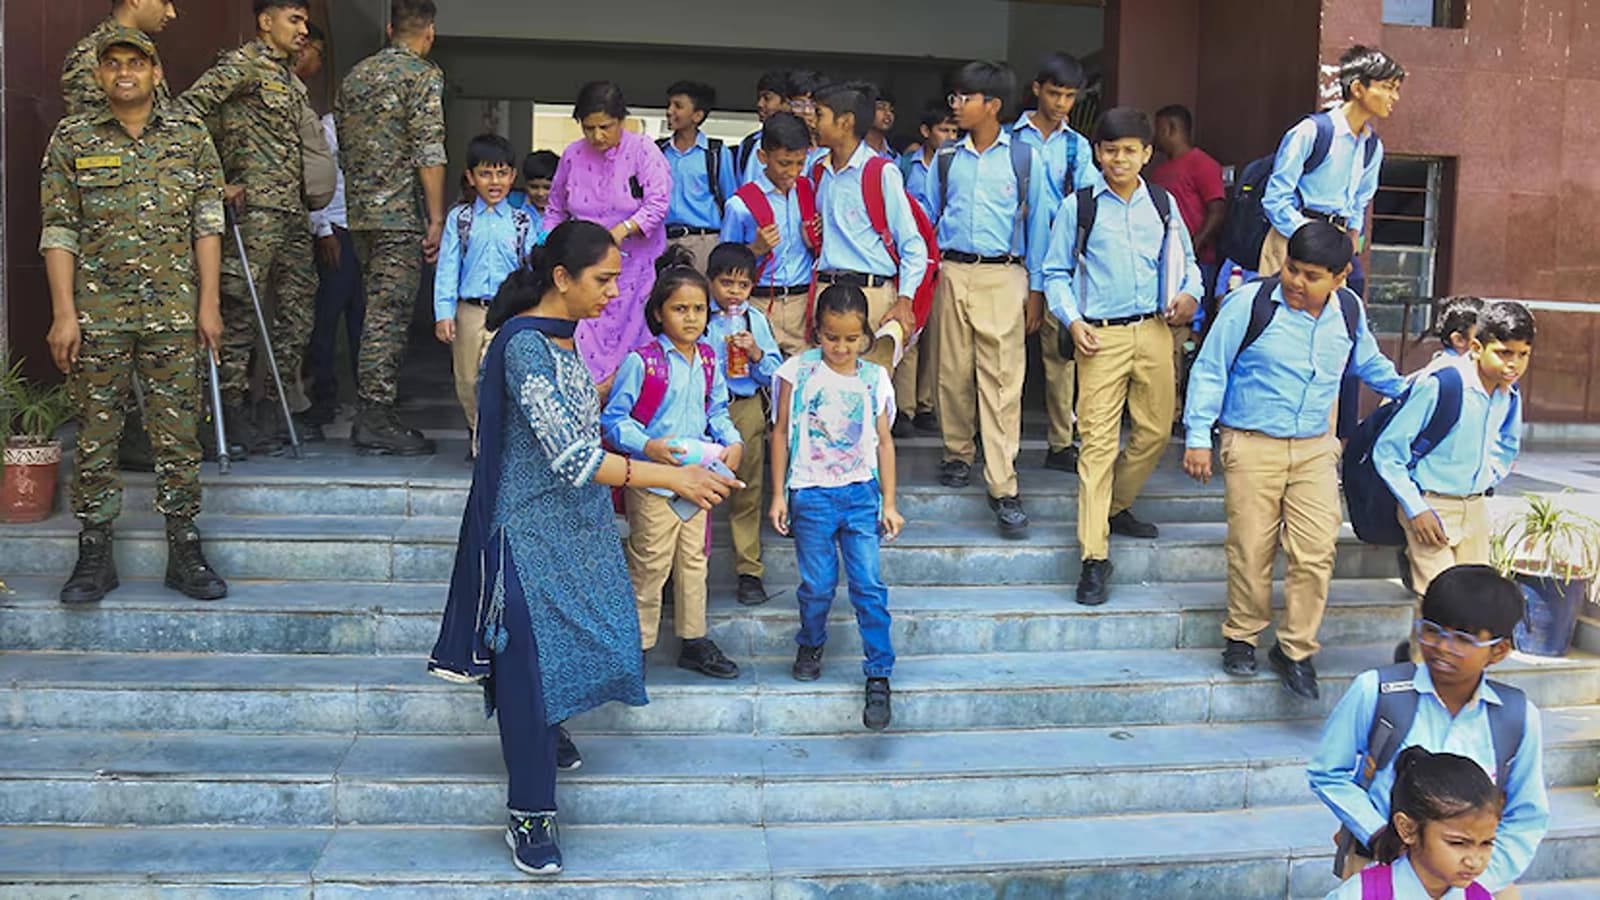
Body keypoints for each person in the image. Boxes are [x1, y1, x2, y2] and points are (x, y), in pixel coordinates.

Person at [428, 221, 737, 877]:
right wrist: (673, 476)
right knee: (528, 669)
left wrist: (632, 409)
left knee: (599, 636)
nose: (616, 292)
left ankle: (544, 719)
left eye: (619, 278)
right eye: (603, 279)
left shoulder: (558, 343)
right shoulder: (524, 349)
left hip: (574, 533)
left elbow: (572, 418)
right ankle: (530, 815)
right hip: (530, 534)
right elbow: (572, 457)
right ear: (562, 278)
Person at [1183, 222, 1407, 698]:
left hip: (1314, 448)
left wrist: (1412, 390)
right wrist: (1198, 436)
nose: (1296, 282)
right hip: (1251, 442)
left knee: (1316, 551)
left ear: (1340, 276)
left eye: (1311, 275)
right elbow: (1210, 369)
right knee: (1251, 547)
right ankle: (1242, 636)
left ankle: (1296, 649)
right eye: (1292, 268)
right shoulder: (1251, 304)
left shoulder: (1348, 310)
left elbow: (1367, 363)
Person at [43, 30, 228, 605]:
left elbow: (207, 224)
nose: (125, 73)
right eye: (113, 64)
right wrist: (63, 313)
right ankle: (95, 550)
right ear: (99, 76)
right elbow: (59, 229)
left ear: (155, 71)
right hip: (96, 317)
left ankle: (184, 547)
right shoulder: (72, 138)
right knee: (96, 436)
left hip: (173, 312)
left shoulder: (190, 135)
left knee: (177, 436)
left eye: (136, 63)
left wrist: (210, 303)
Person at [1041, 106, 1202, 606]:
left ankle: (1116, 504)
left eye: (1130, 150)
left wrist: (1190, 295)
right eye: (1110, 150)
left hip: (1155, 332)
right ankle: (1094, 556)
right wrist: (1072, 319)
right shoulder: (1080, 206)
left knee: (1155, 432)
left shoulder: (1163, 204)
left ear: (1147, 154)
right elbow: (1054, 272)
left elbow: (1188, 265)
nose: (1119, 159)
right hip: (1100, 338)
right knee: (1096, 447)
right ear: (1098, 153)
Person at [1309, 566, 1548, 897]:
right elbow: (1327, 773)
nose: (1443, 648)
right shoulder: (1378, 691)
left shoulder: (1516, 717)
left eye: (1463, 639)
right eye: (1433, 630)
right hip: (1381, 865)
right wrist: (1379, 835)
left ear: (1499, 650)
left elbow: (1527, 815)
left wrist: (1477, 878)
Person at [177, 0, 315, 456]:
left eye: (304, 20)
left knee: (297, 308)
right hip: (254, 211)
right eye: (294, 19)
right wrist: (216, 182)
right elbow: (184, 114)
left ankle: (274, 409)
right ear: (265, 21)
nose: (302, 29)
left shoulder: (287, 77)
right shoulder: (241, 66)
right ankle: (228, 411)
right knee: (238, 311)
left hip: (291, 211)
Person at [601, 248, 745, 680]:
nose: (691, 318)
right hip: (653, 480)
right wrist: (649, 446)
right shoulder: (642, 361)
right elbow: (614, 420)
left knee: (693, 561)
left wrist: (732, 442)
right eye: (680, 309)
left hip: (697, 479)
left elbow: (717, 409)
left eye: (699, 309)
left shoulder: (708, 358)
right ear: (659, 312)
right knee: (649, 562)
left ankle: (693, 639)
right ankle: (638, 645)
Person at [769, 284, 903, 731]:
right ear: (816, 332)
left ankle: (879, 673)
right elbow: (781, 434)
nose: (841, 347)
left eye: (851, 338)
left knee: (868, 585)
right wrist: (778, 494)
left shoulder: (873, 379)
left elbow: (884, 441)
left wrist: (890, 501)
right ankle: (810, 641)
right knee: (818, 584)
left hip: (861, 494)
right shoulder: (797, 373)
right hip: (811, 494)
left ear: (864, 335)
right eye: (831, 337)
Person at [926, 61, 1050, 538]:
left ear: (992, 105)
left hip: (1005, 273)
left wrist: (1035, 289)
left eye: (965, 98)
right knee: (952, 372)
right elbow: (930, 221)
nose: (956, 105)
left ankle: (1003, 485)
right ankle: (958, 452)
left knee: (1001, 383)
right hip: (954, 271)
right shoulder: (946, 159)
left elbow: (1039, 225)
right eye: (954, 97)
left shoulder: (1023, 159)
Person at [1376, 301, 1530, 660]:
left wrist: (1491, 473)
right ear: (1477, 347)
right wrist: (1416, 508)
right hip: (1430, 505)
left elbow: (1507, 442)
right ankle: (1420, 676)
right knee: (1442, 601)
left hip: (1473, 507)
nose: (1514, 363)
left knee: (1471, 605)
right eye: (1505, 352)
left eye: (1523, 354)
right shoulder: (1441, 383)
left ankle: (1423, 662)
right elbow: (1388, 451)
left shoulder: (1509, 394)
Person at [335, 0, 448, 455]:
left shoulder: (355, 77)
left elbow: (344, 144)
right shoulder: (422, 76)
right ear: (430, 32)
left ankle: (374, 410)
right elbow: (429, 150)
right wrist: (436, 217)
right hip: (399, 217)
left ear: (389, 28)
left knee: (375, 311)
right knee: (388, 318)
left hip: (360, 214)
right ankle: (375, 417)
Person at [542, 80, 671, 387]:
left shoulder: (642, 150)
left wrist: (622, 230)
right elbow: (555, 208)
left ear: (621, 121)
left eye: (605, 127)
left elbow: (659, 202)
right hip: (584, 272)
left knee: (634, 355)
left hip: (635, 272)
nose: (597, 136)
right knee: (582, 345)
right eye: (589, 128)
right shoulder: (573, 155)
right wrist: (549, 247)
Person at [1259, 45, 1405, 288]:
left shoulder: (1372, 146)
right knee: (1283, 318)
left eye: (1397, 90)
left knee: (1342, 314)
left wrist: (1351, 241)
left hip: (1336, 246)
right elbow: (1275, 199)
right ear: (1358, 88)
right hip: (1291, 241)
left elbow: (1360, 203)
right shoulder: (1311, 132)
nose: (1395, 98)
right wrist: (1310, 237)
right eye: (1388, 88)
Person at [1016, 51, 1099, 473]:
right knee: (1002, 358)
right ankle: (990, 438)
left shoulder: (1077, 148)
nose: (1061, 103)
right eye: (1054, 93)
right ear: (1036, 90)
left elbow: (1089, 204)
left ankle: (1060, 441)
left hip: (1057, 264)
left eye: (1069, 95)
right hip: (1012, 261)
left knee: (1060, 357)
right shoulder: (1012, 141)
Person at [434, 134, 539, 457]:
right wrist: (443, 312)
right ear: (470, 177)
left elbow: (531, 271)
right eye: (485, 174)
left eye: (502, 173)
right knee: (466, 379)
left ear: (512, 176)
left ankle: (490, 444)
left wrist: (532, 313)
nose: (494, 181)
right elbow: (448, 267)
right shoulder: (460, 220)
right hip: (470, 311)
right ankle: (477, 430)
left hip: (508, 312)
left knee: (498, 378)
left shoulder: (522, 222)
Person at [812, 80, 927, 371]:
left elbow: (912, 244)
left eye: (820, 114)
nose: (812, 122)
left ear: (846, 122)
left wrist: (904, 300)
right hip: (827, 289)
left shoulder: (880, 171)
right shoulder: (817, 170)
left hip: (873, 295)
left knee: (870, 392)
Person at [701, 243, 782, 607]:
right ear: (710, 281)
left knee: (746, 489)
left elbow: (774, 375)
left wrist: (756, 354)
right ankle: (685, 571)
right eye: (726, 283)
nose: (734, 292)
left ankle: (749, 570)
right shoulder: (698, 314)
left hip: (743, 406)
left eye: (743, 285)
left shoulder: (755, 321)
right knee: (693, 486)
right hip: (701, 410)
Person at [1322, 748, 1504, 900]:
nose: (1474, 861)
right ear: (1407, 829)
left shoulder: (1481, 897)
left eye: (1486, 843)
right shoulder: (1361, 894)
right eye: (1457, 843)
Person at [299, 22, 365, 429]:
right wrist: (323, 229)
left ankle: (364, 400)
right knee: (326, 318)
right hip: (336, 231)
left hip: (366, 233)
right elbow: (318, 180)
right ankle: (322, 398)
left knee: (362, 319)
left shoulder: (371, 130)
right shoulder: (328, 126)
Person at [1149, 104, 1226, 432]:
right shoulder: (1157, 172)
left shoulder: (1201, 164)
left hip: (1197, 268)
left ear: (1169, 128)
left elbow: (1218, 209)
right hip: (1160, 269)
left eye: (1157, 128)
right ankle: (1163, 409)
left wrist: (1193, 247)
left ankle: (1183, 413)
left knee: (1189, 339)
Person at [720, 111, 819, 359]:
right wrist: (755, 249)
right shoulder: (740, 205)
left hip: (802, 302)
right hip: (759, 303)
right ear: (763, 157)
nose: (793, 171)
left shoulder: (811, 193)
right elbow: (724, 264)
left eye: (800, 162)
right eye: (784, 163)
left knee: (801, 378)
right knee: (756, 373)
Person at [659, 80, 738, 270]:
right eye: (669, 105)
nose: (670, 111)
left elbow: (731, 202)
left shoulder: (716, 153)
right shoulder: (657, 151)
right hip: (662, 241)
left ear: (697, 115)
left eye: (678, 106)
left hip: (704, 242)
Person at [60, 0, 176, 118]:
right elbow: (92, 129)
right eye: (164, 2)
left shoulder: (143, 47)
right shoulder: (90, 55)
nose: (171, 13)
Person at [903, 103, 959, 218]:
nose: (951, 137)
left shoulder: (960, 166)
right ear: (925, 131)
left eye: (954, 131)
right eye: (944, 130)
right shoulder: (906, 165)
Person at [736, 69, 791, 184]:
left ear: (787, 103)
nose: (760, 104)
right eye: (759, 98)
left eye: (767, 98)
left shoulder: (808, 144)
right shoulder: (749, 143)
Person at [514, 150, 559, 218]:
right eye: (534, 187)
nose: (540, 193)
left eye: (547, 187)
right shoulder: (513, 202)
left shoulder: (566, 211)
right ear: (525, 184)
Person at [865, 90, 897, 160]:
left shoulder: (896, 158)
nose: (888, 113)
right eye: (881, 108)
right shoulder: (853, 151)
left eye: (891, 110)